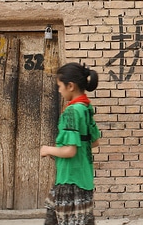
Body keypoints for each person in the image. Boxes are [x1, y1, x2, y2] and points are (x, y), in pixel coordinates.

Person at [40, 62, 101, 225]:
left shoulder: (71, 111)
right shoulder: (86, 108)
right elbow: (94, 142)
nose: (59, 91)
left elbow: (70, 151)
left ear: (71, 86)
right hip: (84, 177)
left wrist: (48, 149)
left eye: (60, 86)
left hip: (70, 178)